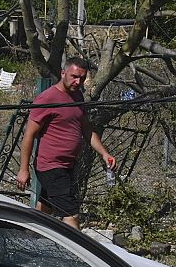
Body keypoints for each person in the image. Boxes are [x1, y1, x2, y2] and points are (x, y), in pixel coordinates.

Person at [16, 57, 116, 230]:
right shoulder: (47, 99)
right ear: (63, 73)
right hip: (50, 166)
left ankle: (29, 237)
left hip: (68, 165)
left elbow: (87, 131)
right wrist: (23, 169)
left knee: (45, 207)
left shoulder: (77, 97)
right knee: (71, 214)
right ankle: (79, 255)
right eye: (74, 76)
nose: (78, 82)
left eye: (82, 78)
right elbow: (29, 136)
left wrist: (104, 153)